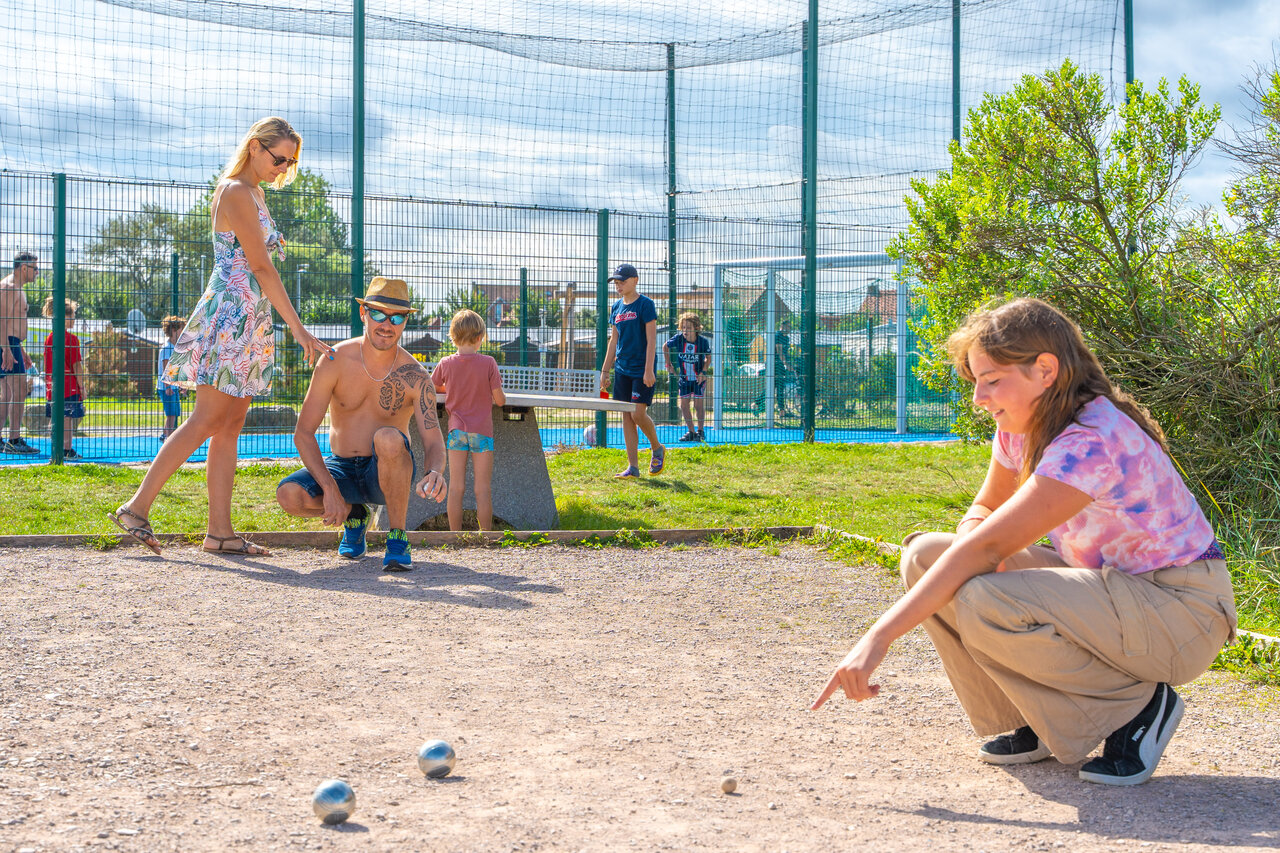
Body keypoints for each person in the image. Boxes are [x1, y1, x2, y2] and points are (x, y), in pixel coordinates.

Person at [812, 297, 1236, 787]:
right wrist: (972, 542)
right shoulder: (1023, 426)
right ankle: (1035, 717)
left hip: (1179, 611)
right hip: (1109, 593)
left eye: (992, 381)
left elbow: (987, 552)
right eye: (976, 382)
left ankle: (1139, 705)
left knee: (981, 595)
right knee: (926, 557)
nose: (979, 398)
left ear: (1045, 371)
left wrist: (876, 638)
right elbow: (985, 512)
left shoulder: (1090, 440)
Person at [109, 117, 330, 556]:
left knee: (230, 425)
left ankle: (220, 534)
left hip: (250, 316)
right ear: (254, 146)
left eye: (291, 161)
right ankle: (135, 507)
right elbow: (261, 267)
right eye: (279, 157)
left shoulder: (255, 193)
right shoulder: (234, 191)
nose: (284, 167)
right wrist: (300, 329)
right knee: (207, 419)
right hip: (231, 313)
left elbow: (262, 270)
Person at [276, 277, 448, 570]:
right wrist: (329, 489)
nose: (386, 324)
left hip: (387, 472)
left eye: (396, 318)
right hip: (341, 467)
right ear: (363, 313)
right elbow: (303, 433)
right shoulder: (334, 360)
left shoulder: (416, 376)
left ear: (405, 322)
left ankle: (397, 537)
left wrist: (435, 472)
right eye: (378, 314)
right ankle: (355, 514)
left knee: (388, 437)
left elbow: (433, 441)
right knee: (289, 495)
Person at [431, 308, 505, 531]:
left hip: (456, 432)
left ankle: (455, 536)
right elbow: (500, 400)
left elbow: (434, 386)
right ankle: (486, 536)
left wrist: (451, 388)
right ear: (480, 338)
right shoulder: (489, 363)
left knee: (456, 487)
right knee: (482, 489)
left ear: (452, 336)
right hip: (482, 432)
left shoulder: (446, 363)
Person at [598, 263, 666, 477]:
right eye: (616, 282)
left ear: (635, 280)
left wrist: (648, 370)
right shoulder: (616, 307)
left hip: (641, 368)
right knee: (627, 416)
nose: (618, 285)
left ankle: (657, 448)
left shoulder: (645, 305)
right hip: (622, 369)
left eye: (622, 281)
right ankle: (633, 467)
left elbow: (651, 339)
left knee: (638, 413)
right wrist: (605, 370)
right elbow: (613, 340)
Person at [0, 252, 39, 454]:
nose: (37, 272)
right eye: (35, 268)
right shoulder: (9, 287)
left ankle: (6, 439)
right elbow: (2, 320)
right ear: (23, 268)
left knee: (7, 393)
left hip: (12, 344)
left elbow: (12, 324)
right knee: (19, 391)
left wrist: (21, 350)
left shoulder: (18, 289)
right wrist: (7, 349)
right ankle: (14, 439)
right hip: (6, 344)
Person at [41, 297, 86, 460]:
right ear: (65, 317)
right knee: (67, 418)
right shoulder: (72, 339)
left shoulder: (50, 338)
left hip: (52, 386)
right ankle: (67, 449)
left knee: (57, 416)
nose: (74, 319)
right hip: (70, 386)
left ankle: (57, 448)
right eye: (73, 315)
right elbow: (77, 366)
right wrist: (82, 387)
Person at [665, 311, 711, 442]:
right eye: (683, 327)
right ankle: (691, 431)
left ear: (696, 328)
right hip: (684, 378)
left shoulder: (702, 342)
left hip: (698, 379)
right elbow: (665, 347)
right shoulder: (679, 339)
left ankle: (700, 431)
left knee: (698, 405)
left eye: (688, 328)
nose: (685, 331)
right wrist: (669, 364)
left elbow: (708, 357)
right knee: (684, 405)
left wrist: (703, 371)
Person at [156, 315, 186, 441]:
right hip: (166, 388)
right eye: (181, 330)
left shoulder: (175, 348)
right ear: (174, 330)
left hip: (173, 386)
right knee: (171, 414)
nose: (183, 333)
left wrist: (182, 385)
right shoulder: (167, 348)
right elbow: (166, 369)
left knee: (174, 413)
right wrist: (168, 386)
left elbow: (176, 371)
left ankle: (166, 435)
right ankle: (168, 437)